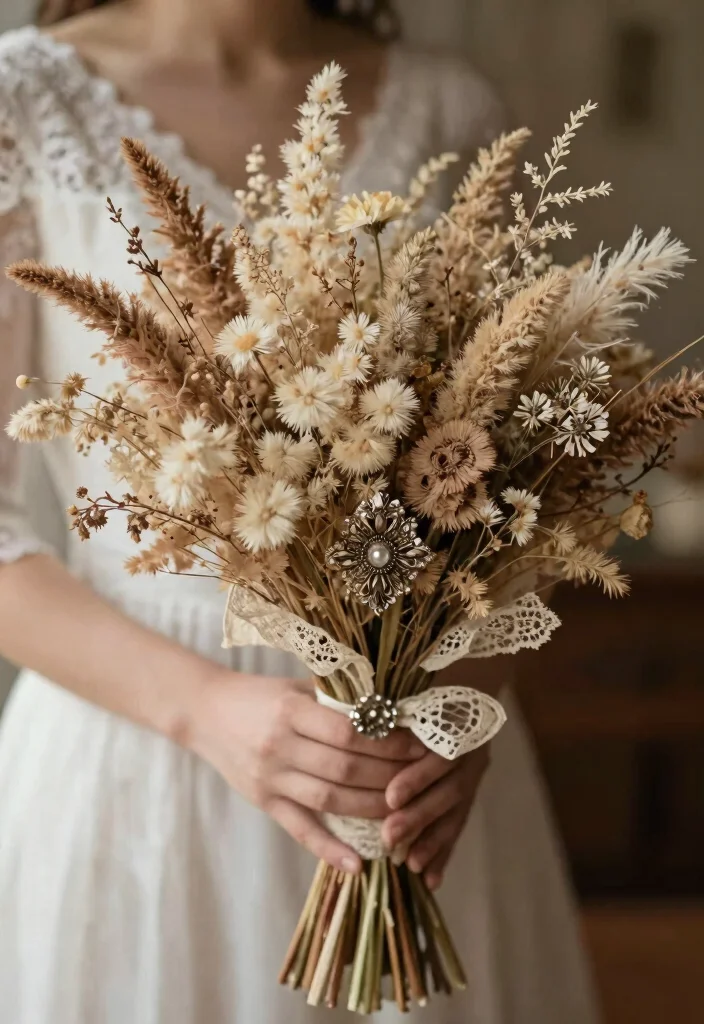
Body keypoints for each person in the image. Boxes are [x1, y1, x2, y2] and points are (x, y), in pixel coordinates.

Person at [0, 1, 601, 1021]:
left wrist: (463, 697)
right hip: (138, 764)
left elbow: (523, 498)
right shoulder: (20, 100)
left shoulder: (455, 113)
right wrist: (206, 707)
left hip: (411, 770)